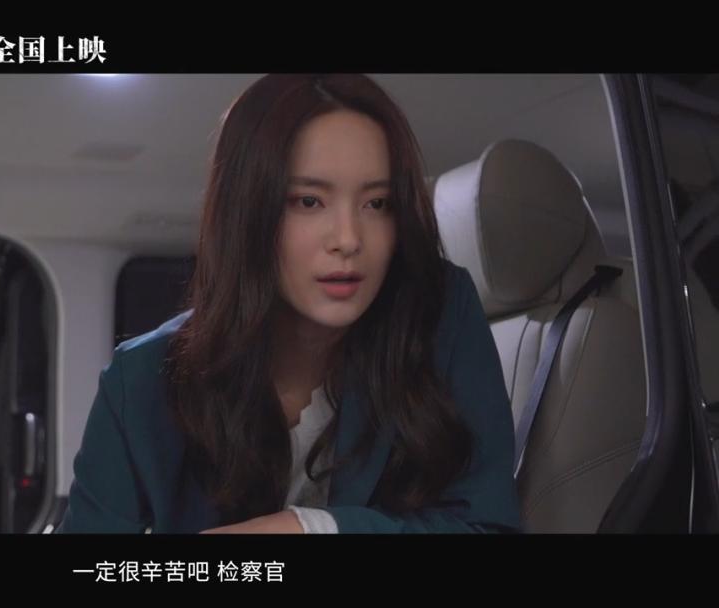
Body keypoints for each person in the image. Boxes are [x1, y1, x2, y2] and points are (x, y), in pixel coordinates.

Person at [56, 74, 521, 533]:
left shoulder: (438, 317)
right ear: (247, 213)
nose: (348, 239)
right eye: (309, 202)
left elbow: (486, 527)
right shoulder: (141, 380)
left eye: (377, 203)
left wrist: (308, 529)